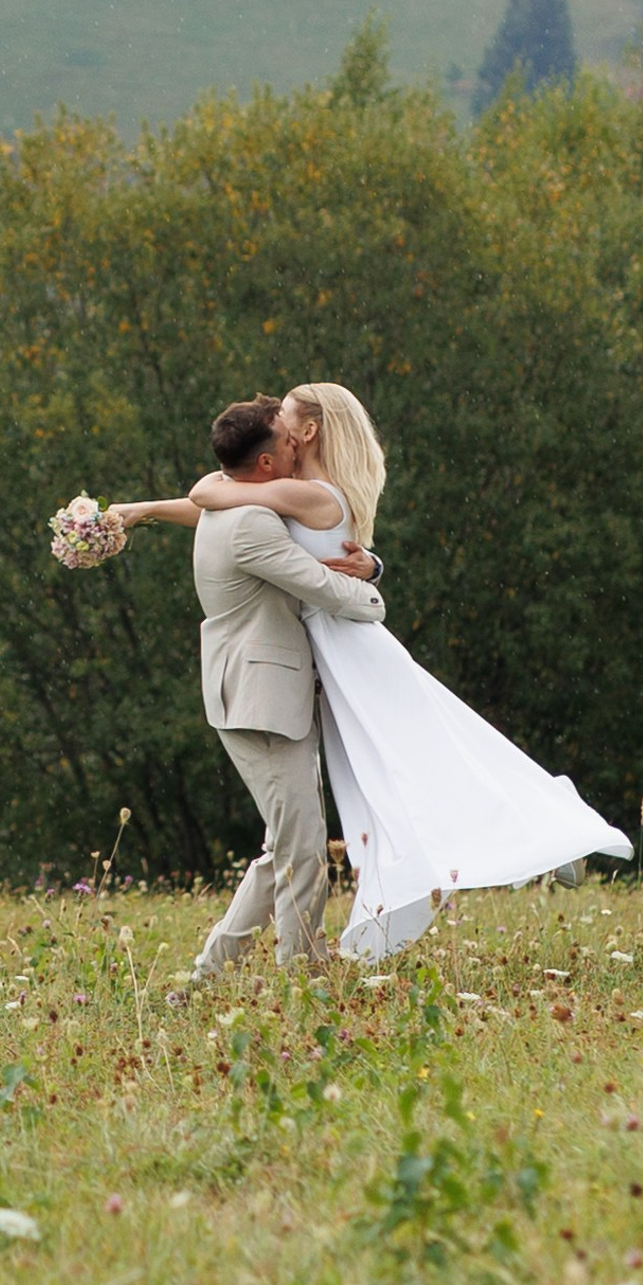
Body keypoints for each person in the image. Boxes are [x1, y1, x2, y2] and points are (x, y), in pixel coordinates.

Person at [113, 383, 632, 960]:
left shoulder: (306, 493)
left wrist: (372, 580)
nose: (277, 421)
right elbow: (224, 500)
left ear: (306, 433)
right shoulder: (292, 493)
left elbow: (212, 492)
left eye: (284, 415)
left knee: (423, 760)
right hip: (332, 649)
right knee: (416, 762)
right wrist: (144, 512)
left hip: (348, 641)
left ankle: (545, 833)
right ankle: (539, 832)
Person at [127, 396, 388, 977]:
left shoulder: (236, 501)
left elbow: (206, 497)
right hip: (260, 699)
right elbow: (321, 585)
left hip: (257, 691)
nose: (296, 441)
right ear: (266, 465)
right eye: (286, 438)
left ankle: (211, 972)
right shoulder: (250, 525)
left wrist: (138, 509)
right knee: (300, 849)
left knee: (285, 848)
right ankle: (303, 971)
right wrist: (374, 589)